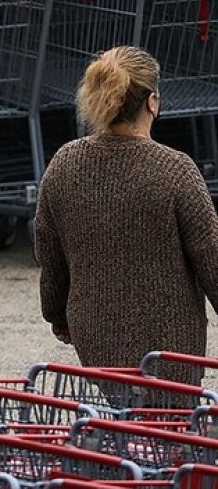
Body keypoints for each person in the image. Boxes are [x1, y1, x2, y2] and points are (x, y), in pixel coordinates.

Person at [36, 46, 218, 390]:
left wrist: (57, 315)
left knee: (118, 424)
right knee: (168, 429)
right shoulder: (175, 169)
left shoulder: (64, 164)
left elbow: (49, 252)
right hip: (169, 342)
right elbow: (212, 258)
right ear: (152, 102)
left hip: (94, 334)